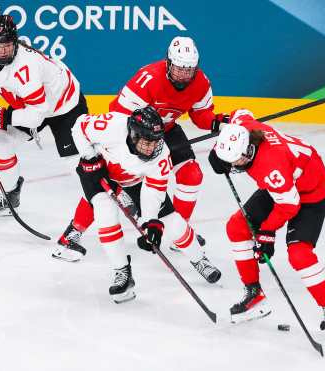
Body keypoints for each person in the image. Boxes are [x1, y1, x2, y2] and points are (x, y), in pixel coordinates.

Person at [56, 36, 229, 255]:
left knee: (192, 175)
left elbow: (201, 115)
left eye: (189, 70)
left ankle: (179, 232)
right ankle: (74, 231)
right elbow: (118, 116)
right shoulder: (148, 79)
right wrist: (121, 148)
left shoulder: (201, 82)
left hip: (167, 129)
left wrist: (218, 122)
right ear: (168, 63)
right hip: (135, 133)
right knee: (106, 183)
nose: (184, 75)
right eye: (178, 69)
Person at [0, 15, 88, 249]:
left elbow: (36, 116)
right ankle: (11, 195)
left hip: (65, 107)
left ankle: (112, 198)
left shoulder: (28, 67)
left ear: (16, 42)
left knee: (79, 167)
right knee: (0, 145)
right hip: (31, 107)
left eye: (7, 45)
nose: (1, 50)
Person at [207, 109, 325, 339]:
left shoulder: (271, 166)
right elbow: (240, 113)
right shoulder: (245, 129)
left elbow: (290, 206)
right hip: (284, 188)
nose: (235, 165)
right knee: (236, 227)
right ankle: (254, 294)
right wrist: (217, 153)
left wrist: (267, 232)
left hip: (311, 193)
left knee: (299, 254)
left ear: (249, 149)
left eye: (237, 160)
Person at [67, 106, 221, 303]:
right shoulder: (111, 126)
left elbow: (154, 192)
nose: (151, 148)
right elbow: (78, 126)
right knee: (105, 214)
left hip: (133, 180)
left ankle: (199, 259)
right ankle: (122, 272)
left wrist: (150, 223)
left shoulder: (161, 156)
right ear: (133, 134)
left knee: (172, 221)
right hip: (98, 171)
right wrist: (90, 157)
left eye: (156, 142)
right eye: (146, 142)